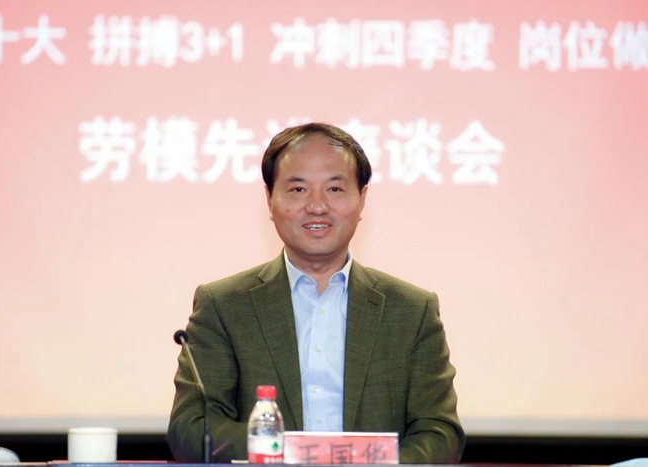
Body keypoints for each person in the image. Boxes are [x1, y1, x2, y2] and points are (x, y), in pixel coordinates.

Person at [167, 122, 465, 463]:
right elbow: (193, 428)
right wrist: (299, 454)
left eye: (335, 189)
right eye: (298, 189)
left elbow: (440, 433)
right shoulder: (224, 305)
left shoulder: (411, 310)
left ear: (362, 199)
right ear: (270, 199)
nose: (317, 206)